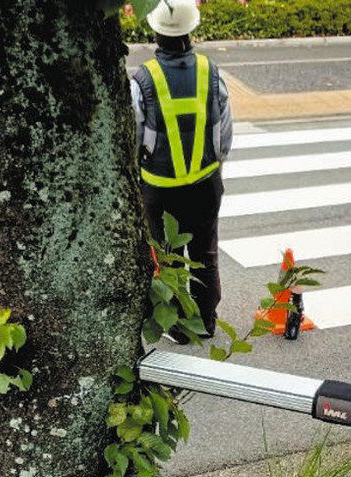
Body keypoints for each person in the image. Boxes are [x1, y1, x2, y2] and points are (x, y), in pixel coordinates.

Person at [130, 0, 233, 342]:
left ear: (155, 31)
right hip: (205, 184)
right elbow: (224, 133)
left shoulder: (144, 79)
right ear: (191, 30)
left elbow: (135, 134)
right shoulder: (211, 72)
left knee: (168, 257)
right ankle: (206, 321)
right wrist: (214, 168)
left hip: (160, 188)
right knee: (205, 253)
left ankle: (177, 326)